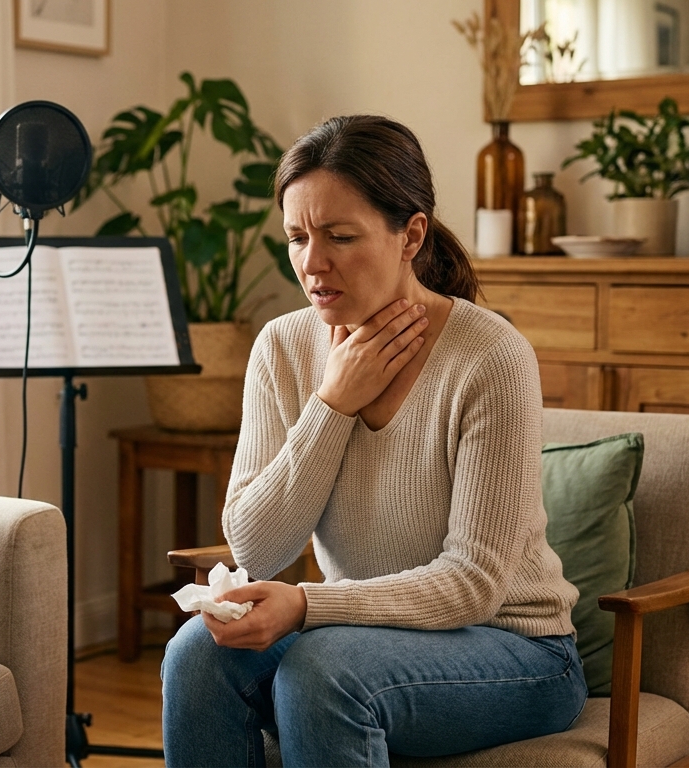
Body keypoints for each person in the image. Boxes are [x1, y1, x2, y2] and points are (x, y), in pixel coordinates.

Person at [160, 115, 586, 767]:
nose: (312, 263)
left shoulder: (491, 356)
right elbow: (256, 548)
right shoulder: (282, 346)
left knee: (322, 672)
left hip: (517, 650)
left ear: (410, 234)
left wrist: (307, 605)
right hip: (357, 636)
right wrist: (332, 403)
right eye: (297, 237)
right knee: (195, 653)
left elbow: (473, 583)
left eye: (340, 237)